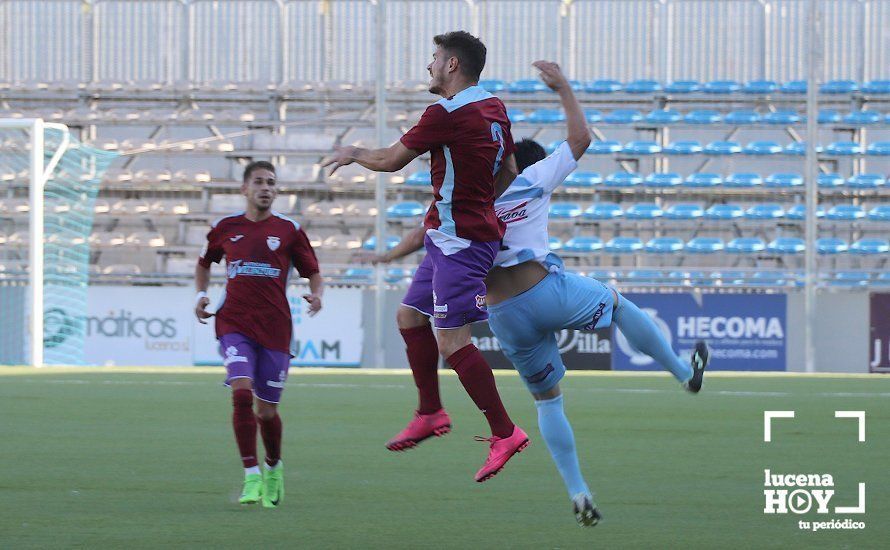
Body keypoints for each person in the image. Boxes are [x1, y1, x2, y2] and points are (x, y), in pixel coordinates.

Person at [368, 61, 709, 526]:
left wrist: (389, 256)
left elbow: (420, 234)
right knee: (619, 304)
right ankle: (681, 373)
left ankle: (578, 491)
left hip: (505, 316)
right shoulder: (532, 180)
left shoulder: (460, 200)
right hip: (546, 290)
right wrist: (562, 86)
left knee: (549, 402)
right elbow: (580, 140)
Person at [322, 31, 529, 482]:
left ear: (452, 65)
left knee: (452, 343)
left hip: (461, 245)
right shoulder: (494, 107)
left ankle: (505, 431)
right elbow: (510, 171)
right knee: (409, 317)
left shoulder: (446, 112)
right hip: (449, 235)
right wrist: (475, 206)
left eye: (434, 58)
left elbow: (390, 160)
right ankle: (431, 412)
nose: (429, 66)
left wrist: (353, 152)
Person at [194, 160, 324, 507]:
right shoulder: (225, 227)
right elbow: (205, 262)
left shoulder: (289, 230)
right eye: (259, 182)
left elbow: (313, 271)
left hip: (275, 328)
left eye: (271, 182)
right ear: (244, 189)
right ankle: (250, 476)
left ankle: (274, 467)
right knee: (240, 394)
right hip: (233, 323)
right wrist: (201, 295)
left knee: (266, 412)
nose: (266, 188)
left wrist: (317, 294)